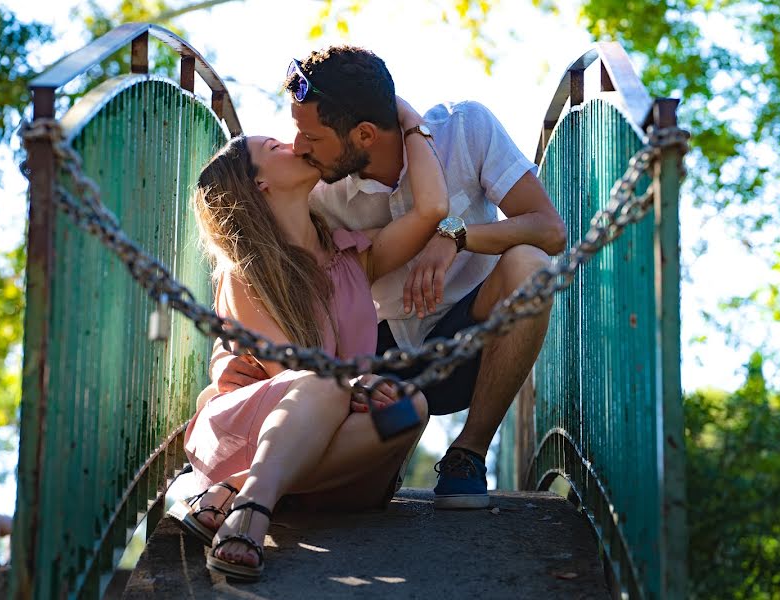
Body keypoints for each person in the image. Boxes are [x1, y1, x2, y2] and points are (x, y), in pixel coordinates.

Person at [213, 46, 566, 510]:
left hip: (470, 345)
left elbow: (549, 229)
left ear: (362, 134)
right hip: (374, 360)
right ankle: (366, 463)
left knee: (529, 264)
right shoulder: (316, 191)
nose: (299, 146)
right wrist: (224, 356)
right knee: (367, 423)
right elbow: (258, 267)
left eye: (311, 136)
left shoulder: (466, 129)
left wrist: (458, 236)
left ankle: (468, 454)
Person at [175, 97, 449, 581]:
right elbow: (294, 370)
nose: (294, 143)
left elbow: (432, 209)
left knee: (413, 406)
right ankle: (252, 512)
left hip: (337, 461)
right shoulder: (245, 273)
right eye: (275, 146)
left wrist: (403, 117)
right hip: (260, 431)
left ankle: (238, 489)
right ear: (260, 184)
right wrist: (358, 384)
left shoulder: (351, 258)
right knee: (319, 383)